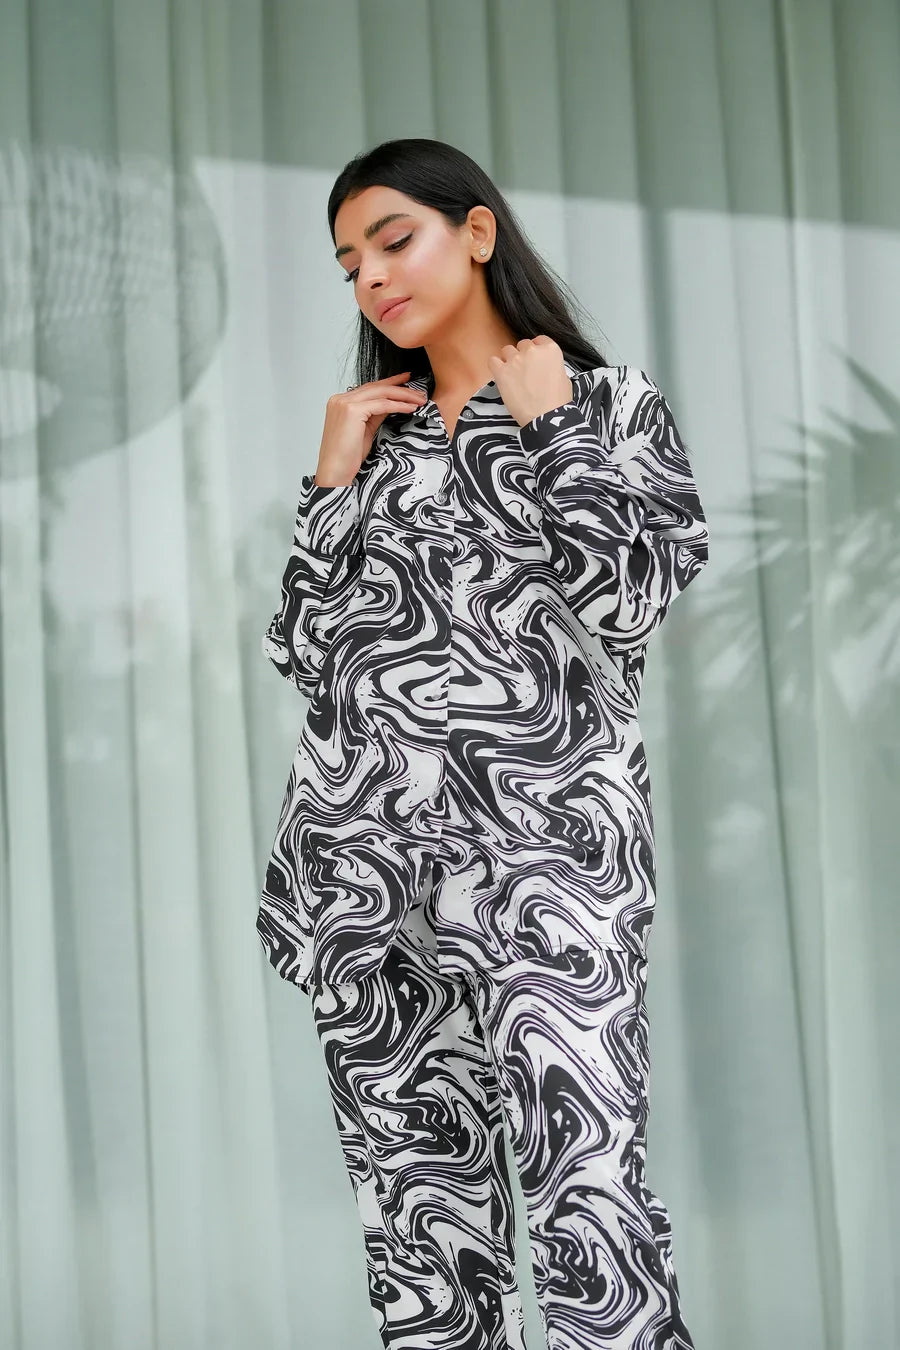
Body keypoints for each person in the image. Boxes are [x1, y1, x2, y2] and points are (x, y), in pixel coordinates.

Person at [258, 137, 707, 1350]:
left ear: (476, 232)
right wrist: (329, 485)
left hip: (552, 868)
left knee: (591, 1202)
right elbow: (308, 656)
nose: (371, 278)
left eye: (392, 240)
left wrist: (549, 427)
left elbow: (629, 601)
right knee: (421, 1232)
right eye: (349, 264)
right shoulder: (377, 442)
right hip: (368, 879)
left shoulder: (609, 407)